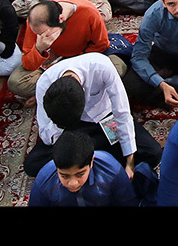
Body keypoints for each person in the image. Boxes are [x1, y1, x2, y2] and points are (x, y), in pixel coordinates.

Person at [24, 52, 163, 178]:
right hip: (72, 129)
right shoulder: (44, 84)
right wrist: (61, 128)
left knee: (152, 152)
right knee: (33, 164)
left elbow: (122, 112)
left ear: (84, 91)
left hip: (105, 117)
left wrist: (130, 162)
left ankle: (86, 156)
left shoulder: (101, 67)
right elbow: (46, 135)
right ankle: (97, 157)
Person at [9, 0, 112, 102]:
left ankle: (53, 92)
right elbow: (28, 64)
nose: (42, 37)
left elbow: (101, 45)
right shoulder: (36, 19)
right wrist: (39, 48)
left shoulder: (89, 12)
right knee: (15, 82)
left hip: (82, 57)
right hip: (54, 59)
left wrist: (75, 64)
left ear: (61, 19)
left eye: (45, 34)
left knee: (113, 72)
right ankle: (64, 91)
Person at [29, 131, 138, 206]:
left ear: (91, 162)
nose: (73, 183)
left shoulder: (112, 171)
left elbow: (128, 202)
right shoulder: (44, 180)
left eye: (80, 174)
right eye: (64, 176)